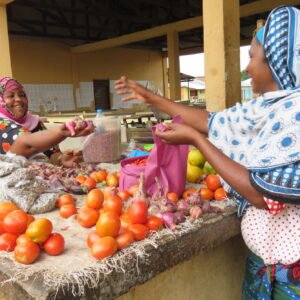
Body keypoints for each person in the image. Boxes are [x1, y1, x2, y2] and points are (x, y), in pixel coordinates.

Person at [115, 6, 300, 299]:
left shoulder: (296, 119)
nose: (248, 67)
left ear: (276, 62)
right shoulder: (267, 108)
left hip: (293, 277)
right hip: (263, 265)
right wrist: (152, 98)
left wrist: (198, 141)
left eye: (252, 56)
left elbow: (261, 194)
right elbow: (211, 122)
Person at [0, 77, 94, 167]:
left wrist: (60, 159)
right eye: (10, 96)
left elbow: (50, 152)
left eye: (21, 95)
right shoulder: (2, 124)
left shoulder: (35, 122)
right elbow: (27, 144)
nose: (18, 99)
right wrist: (62, 132)